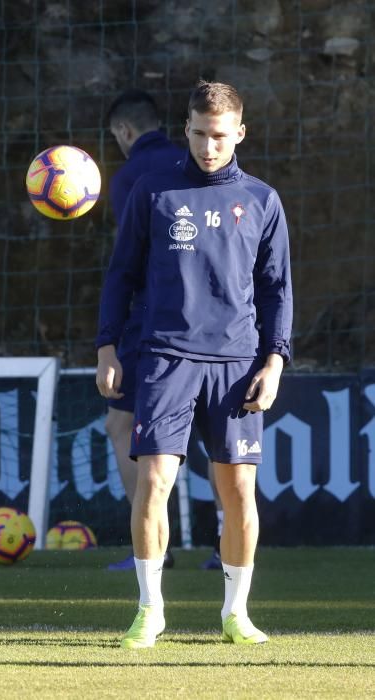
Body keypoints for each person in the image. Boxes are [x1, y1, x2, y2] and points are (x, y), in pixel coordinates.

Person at [96, 80, 292, 649]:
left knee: (237, 492)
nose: (209, 146)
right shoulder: (154, 191)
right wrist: (107, 346)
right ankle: (149, 610)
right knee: (154, 482)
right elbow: (121, 275)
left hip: (235, 363)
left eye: (220, 136)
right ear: (185, 128)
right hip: (164, 357)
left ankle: (236, 612)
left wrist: (275, 360)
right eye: (200, 134)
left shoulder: (261, 200)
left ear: (240, 133)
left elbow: (278, 290)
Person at [100, 90, 183, 573]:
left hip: (147, 319)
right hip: (212, 319)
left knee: (121, 424)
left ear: (125, 133)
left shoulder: (130, 176)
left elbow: (128, 260)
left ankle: (150, 549)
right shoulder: (196, 161)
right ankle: (225, 545)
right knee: (219, 438)